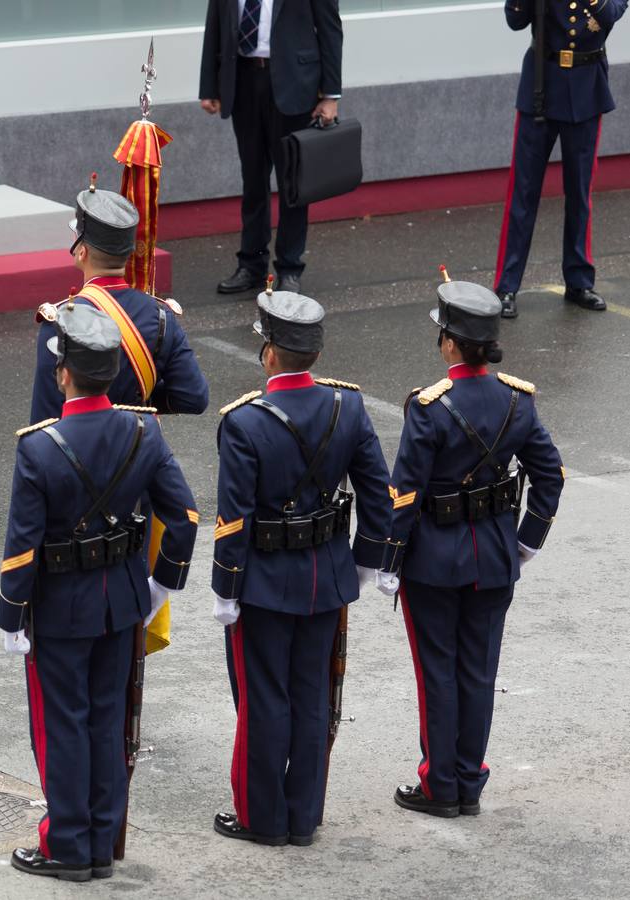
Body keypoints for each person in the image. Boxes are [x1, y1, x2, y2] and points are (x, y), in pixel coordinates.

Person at [0, 304, 199, 882]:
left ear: (63, 374)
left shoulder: (39, 446)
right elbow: (182, 517)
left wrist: (11, 615)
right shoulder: (144, 428)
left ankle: (68, 845)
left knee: (64, 724)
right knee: (108, 722)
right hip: (123, 602)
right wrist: (162, 583)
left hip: (60, 609)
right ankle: (104, 842)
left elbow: (22, 544)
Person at [210, 287, 393, 847]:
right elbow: (379, 499)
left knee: (264, 698)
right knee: (313, 697)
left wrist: (225, 588)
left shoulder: (244, 421)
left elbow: (234, 520)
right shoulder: (349, 406)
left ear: (269, 353)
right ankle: (303, 816)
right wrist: (362, 566)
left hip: (265, 582)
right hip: (327, 576)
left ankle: (262, 820)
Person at [380, 273, 564, 817]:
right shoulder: (518, 401)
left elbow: (405, 491)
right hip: (496, 556)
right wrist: (526, 541)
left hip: (434, 560)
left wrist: (389, 559)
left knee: (437, 670)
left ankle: (440, 786)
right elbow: (549, 477)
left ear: (453, 344)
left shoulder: (428, 406)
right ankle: (468, 780)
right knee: (479, 671)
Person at [29, 180, 208, 422]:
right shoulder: (161, 315)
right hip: (141, 449)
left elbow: (46, 420)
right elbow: (193, 397)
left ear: (81, 252)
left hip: (80, 453)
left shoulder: (60, 320)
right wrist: (136, 404)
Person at [199, 0, 343, 296]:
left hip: (294, 85)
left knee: (292, 184)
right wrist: (210, 86)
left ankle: (289, 268)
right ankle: (251, 265)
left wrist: (330, 95)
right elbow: (215, 23)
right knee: (253, 180)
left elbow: (330, 28)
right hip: (243, 81)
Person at [494, 0, 627, 317]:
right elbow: (515, 21)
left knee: (580, 192)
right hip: (542, 85)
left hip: (586, 88)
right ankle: (507, 285)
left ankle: (579, 281)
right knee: (523, 193)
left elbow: (610, 14)